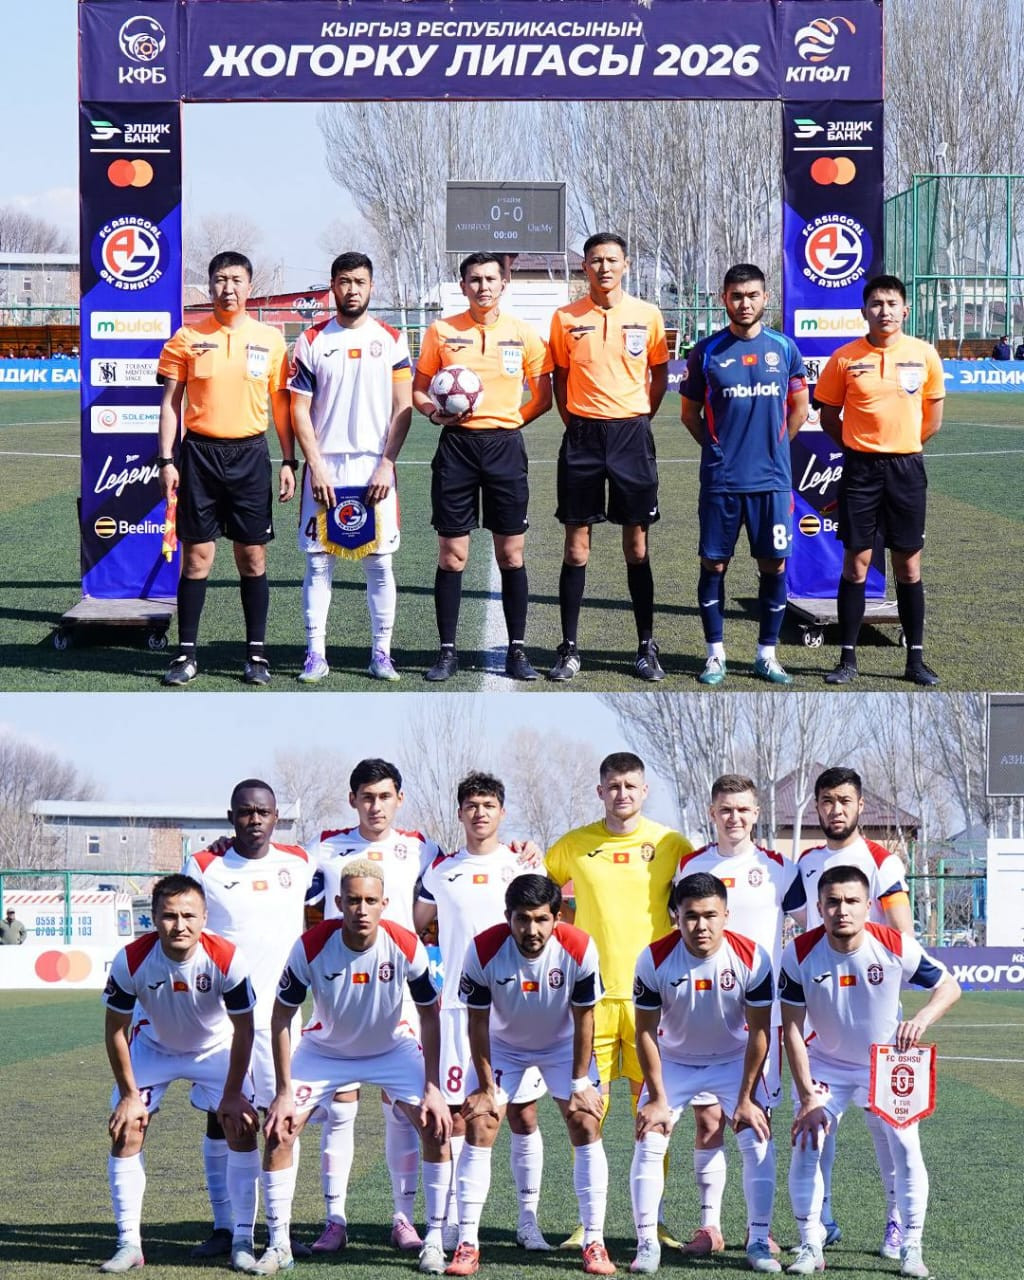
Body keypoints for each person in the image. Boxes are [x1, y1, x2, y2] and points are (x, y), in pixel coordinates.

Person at [257, 859, 452, 1277]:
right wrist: (283, 1091)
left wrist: (433, 1087)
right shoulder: (311, 945)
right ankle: (279, 1245)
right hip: (324, 1051)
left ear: (385, 903)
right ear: (338, 902)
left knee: (436, 1124)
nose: (361, 909)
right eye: (353, 900)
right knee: (279, 1130)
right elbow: (280, 1016)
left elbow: (430, 1014)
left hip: (391, 1049)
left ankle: (434, 1240)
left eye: (370, 901)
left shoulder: (405, 944)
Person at [780, 866, 961, 1278]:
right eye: (832, 902)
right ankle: (810, 1244)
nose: (842, 910)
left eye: (851, 901)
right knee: (807, 1144)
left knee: (905, 1145)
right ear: (819, 907)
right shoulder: (798, 953)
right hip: (825, 1065)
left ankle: (911, 1244)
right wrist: (807, 1095)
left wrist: (922, 1020)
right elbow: (791, 1028)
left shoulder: (893, 944)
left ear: (867, 906)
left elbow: (949, 986)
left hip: (885, 1063)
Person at [545, 751, 694, 1249]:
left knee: (653, 1112)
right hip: (592, 1004)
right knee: (587, 1114)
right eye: (613, 786)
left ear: (644, 791)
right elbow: (539, 893)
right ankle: (588, 1224)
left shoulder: (671, 844)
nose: (622, 794)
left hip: (653, 1003)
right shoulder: (573, 845)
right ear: (600, 792)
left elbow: (700, 899)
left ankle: (654, 1221)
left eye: (630, 786)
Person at [305, 758, 444, 1254]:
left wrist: (520, 848)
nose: (375, 806)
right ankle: (335, 1219)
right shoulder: (324, 847)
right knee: (340, 1107)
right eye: (366, 796)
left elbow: (461, 876)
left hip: (397, 992)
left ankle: (403, 1218)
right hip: (337, 993)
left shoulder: (422, 848)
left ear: (399, 799)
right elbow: (276, 871)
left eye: (385, 796)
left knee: (402, 1110)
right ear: (353, 800)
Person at [448, 874, 614, 1276]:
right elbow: (477, 1023)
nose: (532, 929)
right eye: (522, 919)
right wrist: (486, 1087)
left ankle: (595, 1241)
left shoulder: (579, 948)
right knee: (481, 1123)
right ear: (508, 916)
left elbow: (585, 1018)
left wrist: (579, 1083)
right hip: (504, 1045)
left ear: (557, 917)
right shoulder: (483, 950)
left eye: (541, 919)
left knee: (585, 1121)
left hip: (562, 1045)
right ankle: (467, 1242)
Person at [415, 773, 551, 1257]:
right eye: (471, 805)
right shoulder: (439, 871)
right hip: (457, 1010)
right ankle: (454, 1222)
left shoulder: (523, 865)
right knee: (458, 1118)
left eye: (489, 805)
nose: (480, 813)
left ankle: (528, 1220)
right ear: (460, 813)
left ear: (502, 811)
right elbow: (415, 925)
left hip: (516, 1010)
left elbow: (547, 927)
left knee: (524, 1114)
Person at [670, 776, 803, 1259]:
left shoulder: (779, 869)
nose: (735, 818)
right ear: (712, 813)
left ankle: (757, 1228)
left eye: (743, 810)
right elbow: (677, 930)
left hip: (759, 1016)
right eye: (726, 809)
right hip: (702, 1013)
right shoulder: (691, 865)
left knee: (755, 1121)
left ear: (756, 813)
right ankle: (710, 1226)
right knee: (707, 1121)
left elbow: (810, 929)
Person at [99, 874, 259, 1273]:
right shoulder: (131, 959)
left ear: (204, 918)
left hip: (215, 1048)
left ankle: (242, 1238)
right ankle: (129, 1244)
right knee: (127, 1127)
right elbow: (115, 1029)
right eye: (169, 916)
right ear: (154, 918)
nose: (179, 925)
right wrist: (129, 1095)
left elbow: (245, 1029)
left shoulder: (227, 958)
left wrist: (234, 1094)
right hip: (154, 1048)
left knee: (239, 1124)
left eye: (189, 915)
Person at [183, 780, 313, 1262]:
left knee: (283, 1123)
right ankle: (226, 1227)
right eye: (244, 811)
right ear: (230, 816)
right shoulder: (204, 865)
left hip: (282, 1017)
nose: (254, 819)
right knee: (222, 1120)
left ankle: (281, 1230)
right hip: (222, 1018)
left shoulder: (300, 862)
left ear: (276, 817)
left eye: (262, 811)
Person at [790, 766, 915, 1258]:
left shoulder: (881, 860)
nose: (835, 809)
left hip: (876, 1018)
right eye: (827, 800)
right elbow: (802, 928)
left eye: (844, 800)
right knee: (817, 1123)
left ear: (860, 805)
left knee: (889, 1129)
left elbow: (902, 936)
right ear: (817, 807)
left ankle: (897, 1222)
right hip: (822, 1014)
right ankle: (821, 1221)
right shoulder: (806, 862)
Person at [413, 252, 553, 683]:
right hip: (456, 449)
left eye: (491, 279)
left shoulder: (524, 334)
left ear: (504, 283)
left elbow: (542, 398)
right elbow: (419, 391)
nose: (483, 286)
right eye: (474, 279)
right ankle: (447, 653)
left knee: (511, 554)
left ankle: (517, 651)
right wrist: (435, 414)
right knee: (452, 555)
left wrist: (508, 423)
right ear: (463, 285)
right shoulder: (440, 332)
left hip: (505, 449)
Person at [157, 251, 294, 687]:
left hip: (250, 457)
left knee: (252, 557)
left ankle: (256, 655)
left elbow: (281, 407)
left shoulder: (271, 340)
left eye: (236, 280)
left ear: (250, 286)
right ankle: (186, 654)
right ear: (210, 284)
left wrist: (288, 460)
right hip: (199, 456)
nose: (228, 288)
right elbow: (170, 404)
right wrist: (166, 460)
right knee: (196, 558)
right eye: (220, 279)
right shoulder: (186, 337)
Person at [630, 872, 778, 1275]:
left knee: (757, 1137)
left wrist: (745, 1099)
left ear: (726, 915)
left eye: (710, 915)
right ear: (676, 916)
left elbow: (760, 1032)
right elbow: (645, 1032)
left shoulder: (753, 957)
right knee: (650, 1138)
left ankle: (758, 1239)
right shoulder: (653, 959)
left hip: (733, 1060)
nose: (701, 926)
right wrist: (657, 1098)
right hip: (675, 1062)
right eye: (691, 916)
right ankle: (646, 1245)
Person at [547, 232, 670, 682]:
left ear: (626, 265)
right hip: (582, 436)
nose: (604, 267)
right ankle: (569, 648)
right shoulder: (564, 318)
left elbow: (659, 375)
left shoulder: (648, 315)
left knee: (636, 547)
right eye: (596, 260)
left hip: (631, 435)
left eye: (612, 260)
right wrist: (576, 422)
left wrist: (637, 419)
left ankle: (645, 646)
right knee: (576, 547)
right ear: (585, 267)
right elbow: (560, 378)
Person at [679, 264, 809, 687]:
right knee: (714, 564)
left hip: (771, 482)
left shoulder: (784, 349)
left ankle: (766, 655)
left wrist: (775, 448)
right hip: (722, 483)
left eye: (752, 295)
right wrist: (718, 451)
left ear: (765, 297)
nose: (745, 303)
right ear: (724, 299)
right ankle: (714, 655)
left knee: (773, 565)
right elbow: (689, 414)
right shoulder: (706, 351)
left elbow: (800, 408)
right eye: (736, 296)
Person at [288, 252, 413, 684]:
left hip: (374, 468)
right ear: (333, 286)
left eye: (360, 282)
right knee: (319, 563)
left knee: (379, 564)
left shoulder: (392, 339)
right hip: (325, 468)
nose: (352, 289)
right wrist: (315, 466)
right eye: (344, 281)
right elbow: (298, 410)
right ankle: (315, 654)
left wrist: (386, 464)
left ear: (371, 286)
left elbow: (403, 408)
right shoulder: (311, 340)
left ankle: (382, 653)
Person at [813, 274, 945, 686]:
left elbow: (932, 421)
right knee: (857, 564)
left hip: (906, 470)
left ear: (905, 310)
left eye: (891, 304)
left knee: (908, 564)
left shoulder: (924, 355)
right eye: (876, 304)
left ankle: (915, 660)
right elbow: (829, 416)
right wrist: (860, 448)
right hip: (860, 471)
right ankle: (847, 659)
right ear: (864, 311)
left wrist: (900, 446)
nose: (884, 311)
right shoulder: (844, 358)